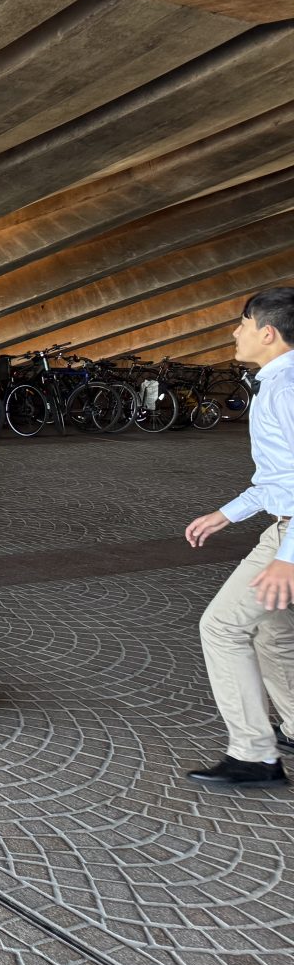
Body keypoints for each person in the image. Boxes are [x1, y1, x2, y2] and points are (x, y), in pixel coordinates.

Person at [183, 286, 294, 788]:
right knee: (272, 629)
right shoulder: (279, 383)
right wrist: (226, 515)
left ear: (267, 333)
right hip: (283, 525)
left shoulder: (285, 389)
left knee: (223, 627)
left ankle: (254, 755)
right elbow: (279, 476)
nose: (234, 332)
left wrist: (287, 557)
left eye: (243, 323)